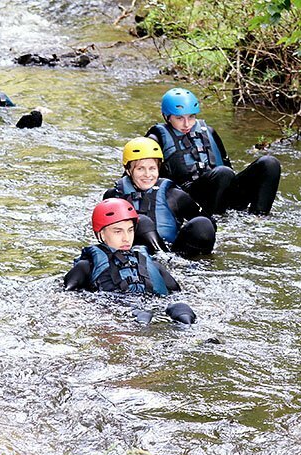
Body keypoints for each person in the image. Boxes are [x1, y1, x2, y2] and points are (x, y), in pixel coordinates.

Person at [146, 87, 281, 215]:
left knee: (269, 163)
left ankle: (259, 218)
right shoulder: (156, 139)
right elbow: (142, 178)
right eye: (179, 118)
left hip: (223, 188)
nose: (187, 124)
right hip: (189, 197)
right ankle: (215, 222)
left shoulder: (208, 131)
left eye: (191, 117)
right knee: (223, 173)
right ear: (166, 116)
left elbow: (229, 170)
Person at [64, 198, 196, 324]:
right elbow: (65, 296)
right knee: (142, 316)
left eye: (130, 230)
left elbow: (178, 295)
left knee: (182, 310)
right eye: (118, 231)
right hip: (120, 309)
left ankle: (193, 336)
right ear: (101, 234)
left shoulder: (151, 264)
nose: (126, 238)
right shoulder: (87, 266)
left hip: (153, 304)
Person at [103, 137, 216, 257]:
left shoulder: (175, 196)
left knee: (203, 225)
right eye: (140, 169)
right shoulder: (114, 196)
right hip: (132, 253)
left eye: (152, 168)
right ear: (128, 170)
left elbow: (210, 225)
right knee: (142, 222)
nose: (147, 175)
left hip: (171, 255)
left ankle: (168, 262)